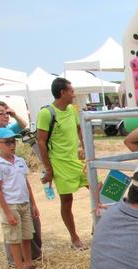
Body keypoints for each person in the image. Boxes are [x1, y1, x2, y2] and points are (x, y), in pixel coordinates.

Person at [37, 77, 89, 250]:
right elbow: (41, 142)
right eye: (72, 91)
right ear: (62, 93)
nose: (74, 94)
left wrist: (84, 148)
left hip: (77, 161)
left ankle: (99, 227)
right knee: (67, 200)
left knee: (99, 189)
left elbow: (80, 130)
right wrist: (48, 169)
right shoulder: (46, 113)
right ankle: (74, 238)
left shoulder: (72, 110)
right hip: (60, 163)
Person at [0, 98, 43, 263]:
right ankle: (16, 261)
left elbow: (22, 125)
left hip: (15, 176)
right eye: (1, 113)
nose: (5, 116)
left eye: (6, 113)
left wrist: (13, 113)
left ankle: (32, 256)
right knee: (11, 218)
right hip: (0, 179)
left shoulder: (7, 131)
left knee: (28, 215)